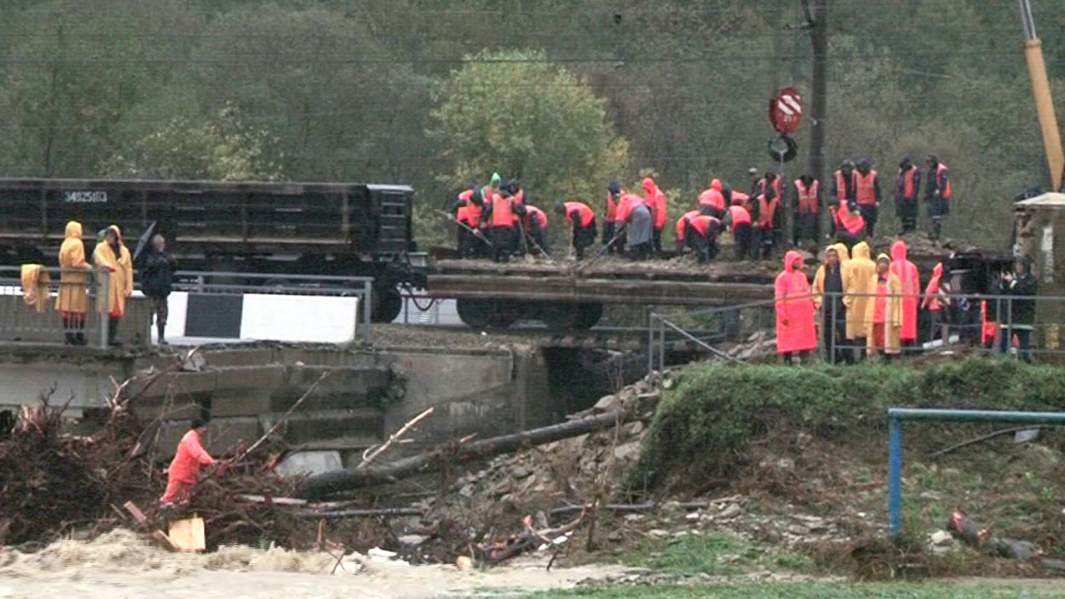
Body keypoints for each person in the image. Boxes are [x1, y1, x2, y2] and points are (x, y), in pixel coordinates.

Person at [159, 418, 216, 507]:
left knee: (184, 499)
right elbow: (197, 452)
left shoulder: (194, 438)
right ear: (198, 428)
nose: (206, 430)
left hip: (186, 474)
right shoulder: (190, 439)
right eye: (204, 428)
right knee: (169, 497)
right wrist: (211, 461)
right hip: (180, 472)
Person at [93, 225, 133, 346]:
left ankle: (112, 337)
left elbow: (128, 269)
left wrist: (129, 286)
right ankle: (105, 338)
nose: (109, 237)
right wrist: (107, 266)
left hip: (119, 286)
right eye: (108, 235)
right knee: (106, 311)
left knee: (116, 313)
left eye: (112, 235)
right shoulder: (100, 248)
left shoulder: (124, 251)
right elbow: (98, 259)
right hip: (107, 285)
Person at [774, 250, 816, 364]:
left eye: (799, 259)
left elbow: (808, 293)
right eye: (796, 260)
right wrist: (783, 315)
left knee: (804, 342)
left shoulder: (802, 276)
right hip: (790, 317)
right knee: (788, 343)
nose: (798, 262)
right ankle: (788, 364)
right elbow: (779, 298)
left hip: (804, 317)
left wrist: (812, 308)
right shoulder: (782, 278)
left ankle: (805, 364)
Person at [56, 221, 93, 346]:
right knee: (79, 310)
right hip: (77, 281)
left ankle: (68, 336)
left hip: (65, 281)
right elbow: (78, 263)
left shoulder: (65, 243)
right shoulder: (77, 243)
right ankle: (79, 336)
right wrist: (90, 268)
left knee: (67, 310)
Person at [813, 244, 850, 363]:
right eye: (829, 255)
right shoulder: (821, 270)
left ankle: (849, 358)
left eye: (834, 255)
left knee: (844, 332)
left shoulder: (845, 270)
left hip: (841, 305)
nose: (832, 258)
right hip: (826, 305)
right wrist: (819, 301)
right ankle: (833, 359)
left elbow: (852, 287)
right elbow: (815, 288)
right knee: (827, 333)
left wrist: (846, 301)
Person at [843, 241, 877, 360]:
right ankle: (864, 355)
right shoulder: (873, 265)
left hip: (854, 301)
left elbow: (846, 281)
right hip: (869, 300)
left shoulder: (849, 264)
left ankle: (852, 357)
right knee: (865, 326)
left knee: (852, 328)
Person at [999, 256, 1038, 361]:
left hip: (1023, 318)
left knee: (1023, 346)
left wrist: (1012, 282)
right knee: (1004, 345)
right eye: (1017, 265)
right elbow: (1005, 292)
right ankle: (1002, 364)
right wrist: (1004, 282)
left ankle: (1025, 364)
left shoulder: (1031, 280)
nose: (1018, 267)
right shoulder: (1014, 278)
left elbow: (1023, 292)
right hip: (1009, 317)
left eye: (1020, 265)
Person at [142, 234, 176, 345]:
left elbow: (174, 268)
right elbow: (148, 267)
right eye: (159, 244)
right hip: (152, 291)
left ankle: (161, 337)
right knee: (149, 316)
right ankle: (146, 338)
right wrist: (159, 262)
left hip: (163, 292)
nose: (162, 246)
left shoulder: (167, 256)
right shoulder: (149, 256)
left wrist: (172, 261)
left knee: (163, 316)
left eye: (162, 243)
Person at [866, 254, 903, 359]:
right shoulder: (873, 278)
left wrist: (897, 316)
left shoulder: (894, 279)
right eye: (880, 262)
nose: (882, 265)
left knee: (887, 337)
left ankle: (888, 357)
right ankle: (879, 354)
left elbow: (898, 298)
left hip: (888, 312)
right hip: (875, 312)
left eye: (885, 262)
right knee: (876, 336)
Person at [889, 240, 920, 347]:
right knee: (909, 326)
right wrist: (916, 300)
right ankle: (910, 348)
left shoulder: (891, 266)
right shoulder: (912, 266)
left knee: (897, 324)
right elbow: (916, 286)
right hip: (910, 301)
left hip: (896, 301)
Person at [483, 188, 524, 262]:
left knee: (496, 242)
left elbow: (488, 210)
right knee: (506, 243)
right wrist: (521, 213)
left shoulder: (494, 197)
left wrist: (484, 220)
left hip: (496, 224)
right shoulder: (511, 199)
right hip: (507, 224)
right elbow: (514, 210)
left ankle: (495, 259)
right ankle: (505, 259)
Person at [616, 191, 653, 260]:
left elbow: (620, 219)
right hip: (647, 213)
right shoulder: (633, 196)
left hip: (637, 213)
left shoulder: (623, 201)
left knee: (634, 236)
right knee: (644, 236)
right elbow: (647, 204)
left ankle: (634, 256)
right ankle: (643, 256)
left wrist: (618, 230)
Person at [925, 155, 953, 240]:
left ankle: (936, 235)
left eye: (930, 162)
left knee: (936, 216)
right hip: (931, 196)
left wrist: (938, 190)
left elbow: (943, 183)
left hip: (938, 197)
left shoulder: (941, 171)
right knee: (931, 215)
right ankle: (932, 233)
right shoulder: (931, 171)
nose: (929, 164)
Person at [854, 159, 881, 238]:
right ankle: (860, 237)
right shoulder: (856, 175)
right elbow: (854, 189)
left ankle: (870, 237)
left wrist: (878, 200)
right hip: (859, 203)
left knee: (870, 223)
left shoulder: (873, 175)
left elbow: (877, 189)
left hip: (870, 203)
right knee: (859, 223)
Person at [752, 187, 781, 260]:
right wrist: (754, 220)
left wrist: (776, 224)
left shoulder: (775, 201)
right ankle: (755, 257)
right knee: (757, 241)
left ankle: (767, 256)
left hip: (769, 224)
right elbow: (754, 211)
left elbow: (777, 214)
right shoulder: (758, 199)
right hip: (759, 223)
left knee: (768, 241)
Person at [895, 156, 921, 233]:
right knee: (903, 215)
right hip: (902, 197)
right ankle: (904, 229)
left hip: (910, 196)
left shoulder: (915, 171)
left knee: (911, 215)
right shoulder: (900, 171)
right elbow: (898, 184)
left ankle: (912, 230)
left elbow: (916, 186)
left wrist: (914, 196)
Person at [793, 174, 820, 246]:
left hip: (813, 210)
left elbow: (819, 196)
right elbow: (794, 197)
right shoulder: (797, 184)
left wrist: (820, 206)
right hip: (800, 210)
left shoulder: (816, 184)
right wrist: (795, 207)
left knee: (813, 227)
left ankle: (814, 243)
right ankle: (798, 243)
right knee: (799, 227)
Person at [921, 262, 947, 341]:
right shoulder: (945, 280)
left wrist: (923, 304)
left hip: (934, 306)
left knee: (935, 325)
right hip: (943, 305)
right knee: (942, 324)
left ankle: (934, 341)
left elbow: (929, 293)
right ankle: (942, 340)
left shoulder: (934, 280)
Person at [642, 177, 667, 254]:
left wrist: (659, 223)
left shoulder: (658, 195)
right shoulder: (649, 194)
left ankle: (658, 253)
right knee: (651, 238)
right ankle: (652, 253)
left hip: (658, 221)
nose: (645, 190)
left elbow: (661, 210)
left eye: (645, 187)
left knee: (656, 238)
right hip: (652, 221)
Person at [604, 181, 624, 253]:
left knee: (620, 235)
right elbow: (606, 206)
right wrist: (605, 215)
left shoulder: (622, 195)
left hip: (619, 218)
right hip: (609, 218)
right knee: (609, 234)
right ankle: (610, 250)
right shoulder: (608, 195)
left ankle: (620, 250)